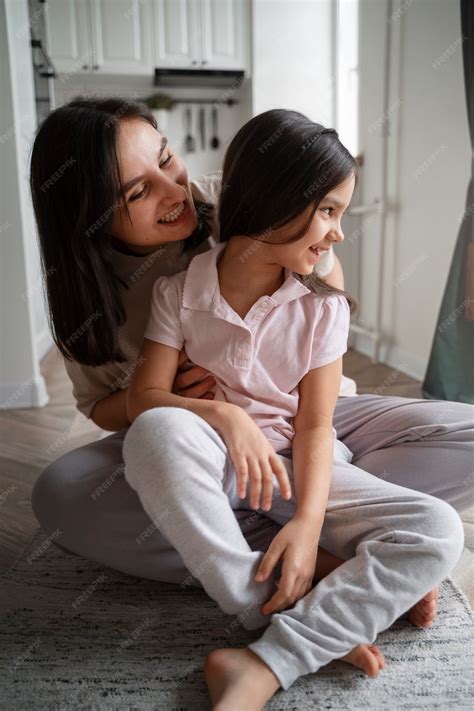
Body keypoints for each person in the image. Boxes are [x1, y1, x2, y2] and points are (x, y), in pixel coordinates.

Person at [29, 98, 471, 709]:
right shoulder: (136, 296)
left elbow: (316, 410)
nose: (175, 190)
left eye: (167, 160)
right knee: (72, 488)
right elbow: (106, 407)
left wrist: (315, 270)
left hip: (315, 426)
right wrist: (193, 407)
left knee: (444, 475)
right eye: (138, 192)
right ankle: (301, 577)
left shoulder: (240, 201)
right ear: (89, 217)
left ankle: (309, 536)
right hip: (201, 443)